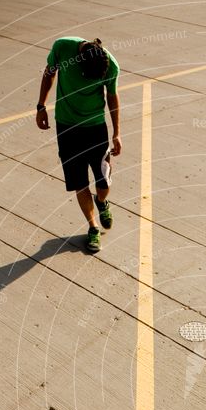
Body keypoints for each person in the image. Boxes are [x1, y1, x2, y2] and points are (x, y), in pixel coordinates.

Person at [36, 36, 122, 253]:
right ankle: (92, 227)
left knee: (103, 181)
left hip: (96, 128)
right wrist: (41, 106)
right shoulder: (62, 48)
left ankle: (102, 202)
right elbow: (49, 72)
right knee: (79, 181)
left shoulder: (110, 65)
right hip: (66, 127)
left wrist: (117, 133)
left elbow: (112, 97)